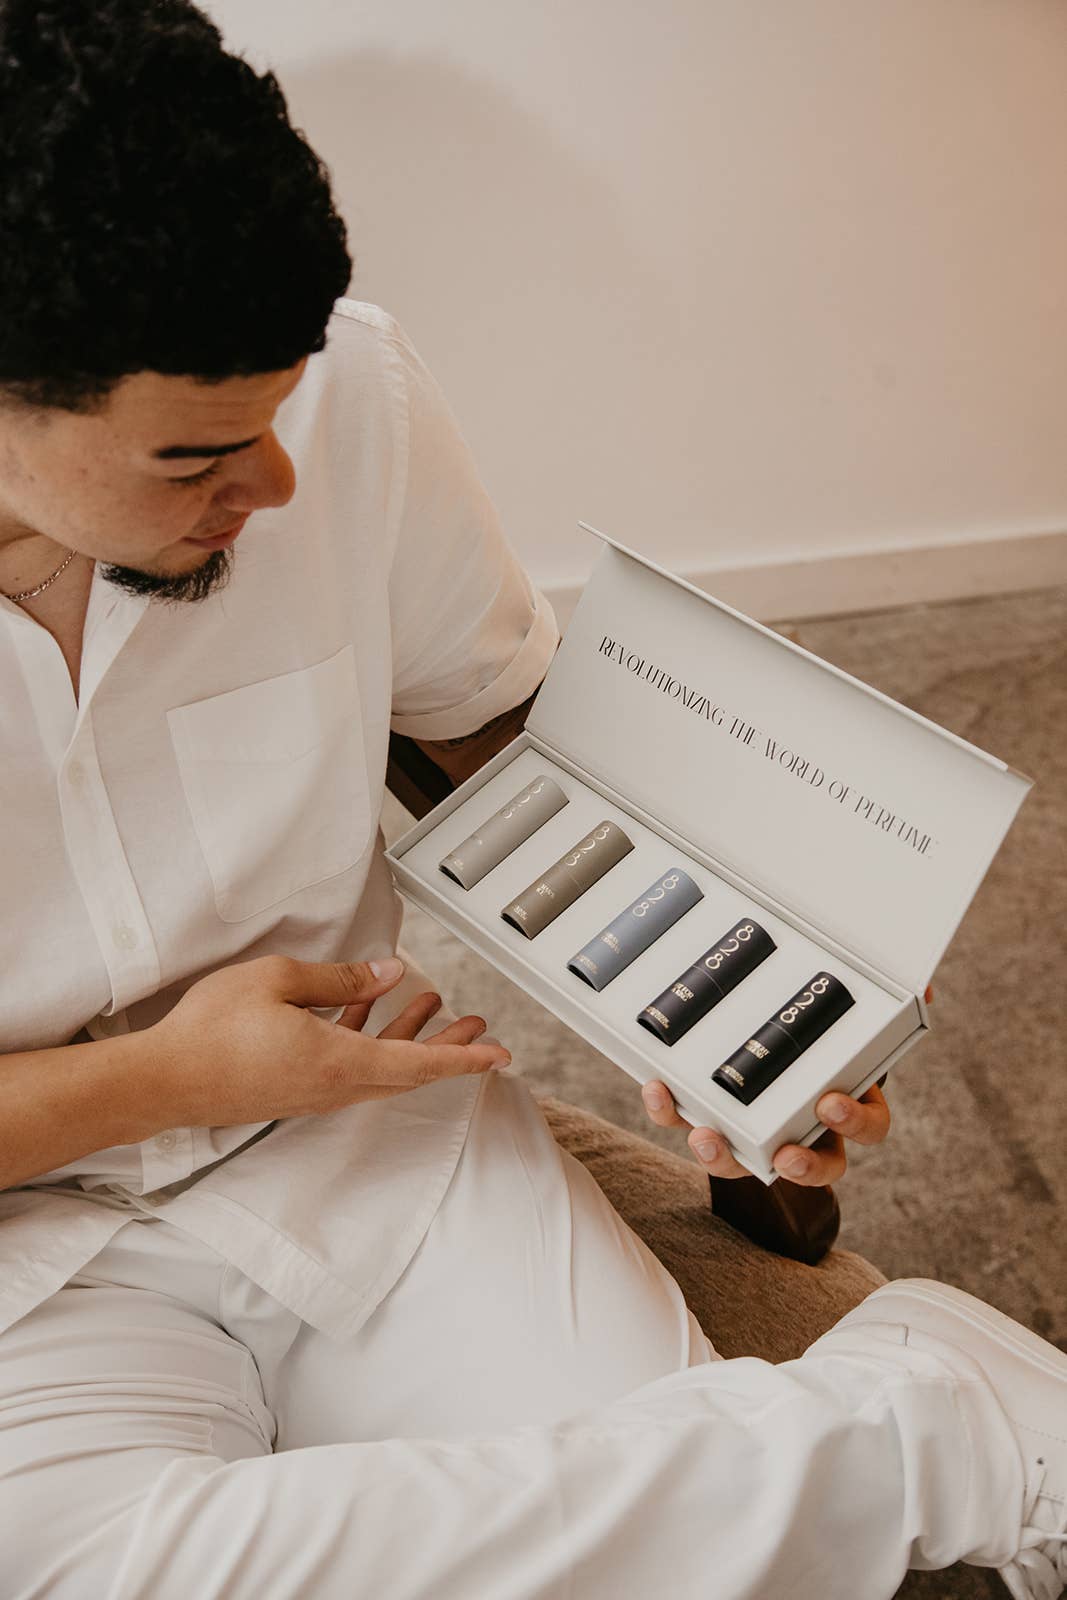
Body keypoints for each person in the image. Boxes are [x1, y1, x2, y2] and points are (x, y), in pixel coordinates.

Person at [0, 3, 1063, 1596]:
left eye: (283, 410)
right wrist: (170, 1074)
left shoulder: (354, 398)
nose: (277, 481)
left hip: (356, 1134)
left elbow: (500, 734)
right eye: (197, 455)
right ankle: (937, 1431)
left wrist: (722, 1016)